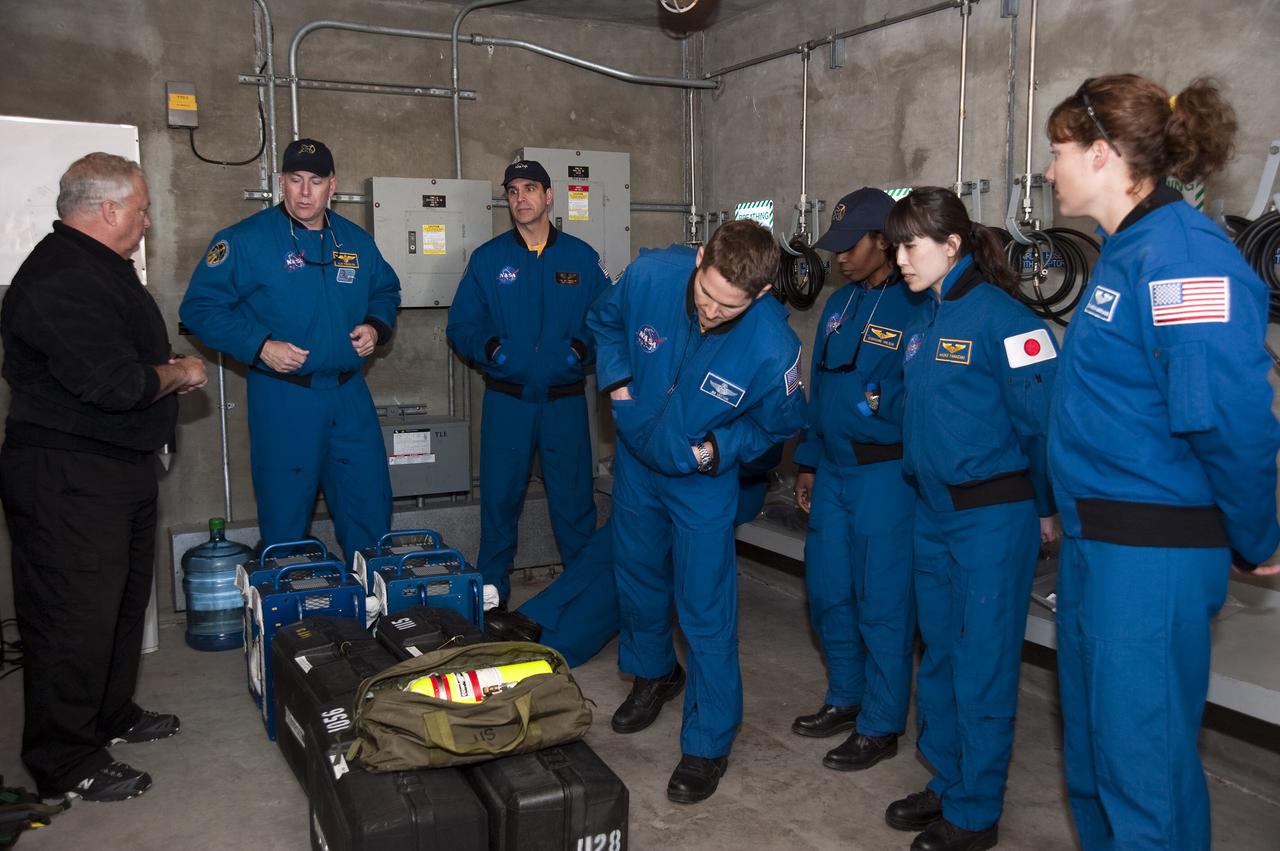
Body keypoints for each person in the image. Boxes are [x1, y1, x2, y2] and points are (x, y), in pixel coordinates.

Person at [1043, 74, 1280, 850]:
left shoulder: (1183, 256)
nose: (1050, 170)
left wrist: (1258, 534)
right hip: (1100, 547)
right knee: (1096, 759)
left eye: (1060, 152)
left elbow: (1230, 420)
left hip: (1150, 556)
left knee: (1141, 769)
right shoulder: (1129, 250)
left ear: (1105, 154)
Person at [1, 153, 208, 801]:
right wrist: (182, 372)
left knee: (118, 604)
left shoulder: (99, 268)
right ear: (109, 209)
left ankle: (109, 712)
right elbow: (116, 383)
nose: (147, 221)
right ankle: (63, 756)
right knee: (71, 616)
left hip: (115, 466)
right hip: (68, 474)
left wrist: (157, 369)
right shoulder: (59, 278)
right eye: (142, 209)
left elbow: (120, 361)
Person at [587, 224, 807, 804]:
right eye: (705, 295)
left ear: (758, 296)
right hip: (636, 458)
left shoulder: (772, 347)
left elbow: (778, 427)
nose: (709, 313)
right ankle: (655, 673)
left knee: (705, 608)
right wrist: (621, 388)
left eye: (727, 307)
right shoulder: (650, 274)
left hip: (700, 479)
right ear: (701, 257)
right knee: (636, 578)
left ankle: (708, 741)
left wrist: (716, 450)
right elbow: (604, 323)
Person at [882, 187, 1058, 851]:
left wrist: (1047, 508)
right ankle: (950, 779)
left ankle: (977, 811)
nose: (900, 258)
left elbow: (1043, 427)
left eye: (911, 244)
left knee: (981, 662)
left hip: (992, 516)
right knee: (941, 657)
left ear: (952, 243)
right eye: (896, 244)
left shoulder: (1009, 322)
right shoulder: (924, 318)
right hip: (931, 513)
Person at [180, 139, 400, 560]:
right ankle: (294, 614)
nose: (304, 192)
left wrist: (376, 326)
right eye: (295, 180)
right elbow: (200, 308)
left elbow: (386, 290)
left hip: (349, 394)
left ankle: (378, 607)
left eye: (315, 181)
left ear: (332, 186)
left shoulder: (356, 241)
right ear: (281, 182)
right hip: (284, 396)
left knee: (368, 506)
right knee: (285, 519)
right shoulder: (245, 240)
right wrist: (260, 346)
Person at [790, 188, 927, 773]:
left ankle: (881, 721)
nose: (840, 257)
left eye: (852, 246)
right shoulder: (839, 305)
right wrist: (808, 460)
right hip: (836, 474)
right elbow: (821, 391)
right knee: (827, 593)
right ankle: (845, 697)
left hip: (886, 477)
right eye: (836, 246)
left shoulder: (919, 305)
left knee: (884, 604)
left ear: (885, 242)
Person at [447, 159, 610, 604]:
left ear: (549, 195)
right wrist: (494, 350)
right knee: (499, 505)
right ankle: (492, 600)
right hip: (507, 405)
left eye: (530, 188)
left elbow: (608, 320)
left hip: (564, 405)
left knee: (576, 507)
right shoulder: (488, 259)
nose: (521, 198)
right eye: (513, 190)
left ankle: (583, 602)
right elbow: (461, 327)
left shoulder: (581, 257)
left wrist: (580, 350)